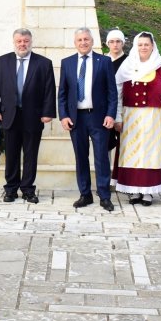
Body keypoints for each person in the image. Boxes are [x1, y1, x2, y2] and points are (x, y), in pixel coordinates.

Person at [112, 32, 161, 206]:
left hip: (153, 117)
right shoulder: (128, 65)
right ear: (136, 46)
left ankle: (149, 192)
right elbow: (117, 91)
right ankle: (133, 190)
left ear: (152, 46)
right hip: (130, 116)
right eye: (140, 44)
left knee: (150, 153)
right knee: (131, 153)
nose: (143, 47)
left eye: (146, 44)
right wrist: (117, 116)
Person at [0, 28, 56, 203]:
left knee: (31, 155)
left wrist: (48, 112)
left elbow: (49, 90)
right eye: (19, 41)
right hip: (9, 115)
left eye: (26, 41)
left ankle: (28, 189)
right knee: (11, 154)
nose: (22, 44)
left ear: (31, 42)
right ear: (14, 42)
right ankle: (10, 189)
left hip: (33, 116)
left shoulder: (43, 63)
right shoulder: (2, 61)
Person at [58, 27, 118, 211]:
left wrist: (111, 114)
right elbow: (62, 93)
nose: (83, 43)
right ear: (75, 43)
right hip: (76, 118)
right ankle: (85, 194)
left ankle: (104, 196)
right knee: (81, 157)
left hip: (98, 117)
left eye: (86, 39)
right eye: (79, 40)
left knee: (101, 157)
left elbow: (112, 92)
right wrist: (64, 115)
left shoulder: (104, 61)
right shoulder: (67, 63)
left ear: (92, 42)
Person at [106, 29, 128, 154]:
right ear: (107, 43)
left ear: (123, 43)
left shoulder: (129, 61)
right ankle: (107, 173)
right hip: (107, 109)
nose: (115, 44)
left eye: (118, 41)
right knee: (106, 144)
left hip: (125, 108)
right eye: (112, 41)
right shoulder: (102, 61)